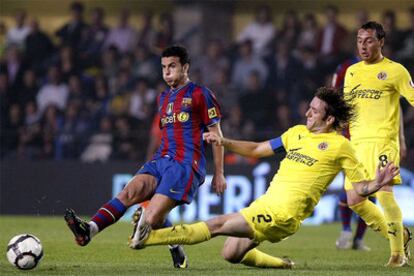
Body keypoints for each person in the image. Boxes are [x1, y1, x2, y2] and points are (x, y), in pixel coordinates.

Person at [128, 87, 399, 269]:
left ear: (329, 120)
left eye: (315, 111)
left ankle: (148, 238)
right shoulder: (296, 134)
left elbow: (359, 187)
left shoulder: (341, 146)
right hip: (264, 205)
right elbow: (258, 149)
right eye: (309, 108)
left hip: (283, 215)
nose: (307, 113)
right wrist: (223, 140)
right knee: (231, 253)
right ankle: (283, 265)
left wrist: (376, 183)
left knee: (217, 224)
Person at [64, 45, 227, 269]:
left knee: (150, 219)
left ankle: (155, 235)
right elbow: (166, 133)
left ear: (185, 67)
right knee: (128, 193)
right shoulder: (163, 98)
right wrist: (152, 161)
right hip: (161, 160)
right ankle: (89, 230)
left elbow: (217, 135)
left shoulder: (201, 94)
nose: (167, 71)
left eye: (172, 66)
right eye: (163, 67)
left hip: (186, 164)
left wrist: (219, 174)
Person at [343, 21, 413, 267]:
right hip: (357, 144)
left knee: (383, 195)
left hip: (383, 141)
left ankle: (397, 255)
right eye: (360, 40)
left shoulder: (396, 71)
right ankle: (399, 235)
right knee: (354, 200)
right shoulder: (352, 72)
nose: (363, 45)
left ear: (381, 42)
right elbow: (349, 109)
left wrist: (401, 139)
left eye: (369, 40)